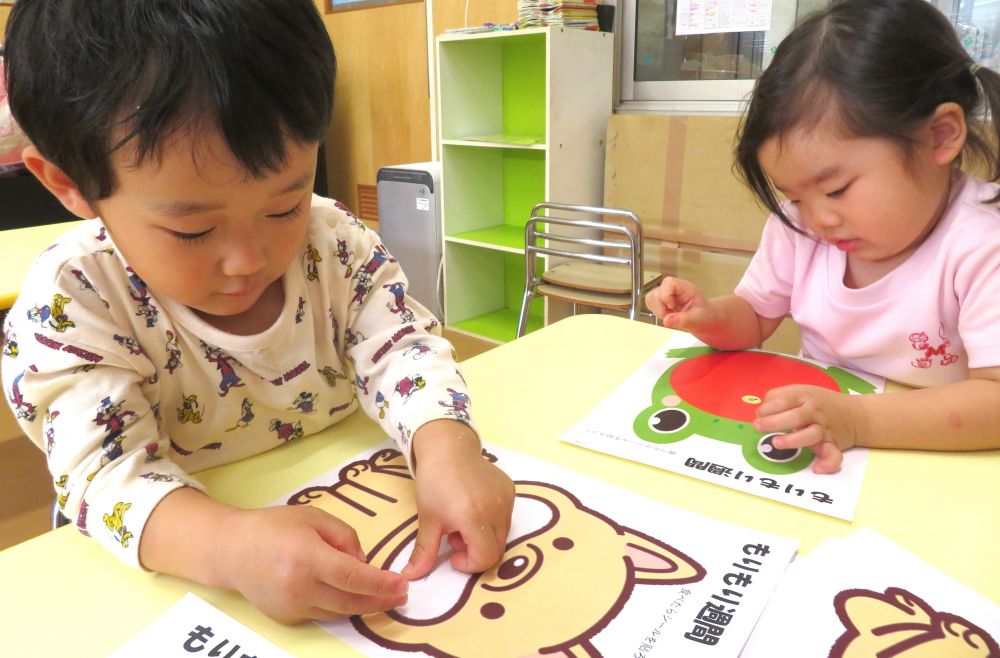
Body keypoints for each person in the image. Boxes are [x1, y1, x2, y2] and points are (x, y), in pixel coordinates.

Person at [0, 0, 514, 624]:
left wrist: (447, 448)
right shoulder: (74, 299)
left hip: (355, 492)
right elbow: (107, 479)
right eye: (192, 230)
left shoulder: (336, 243)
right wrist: (228, 547)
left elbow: (402, 348)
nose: (248, 259)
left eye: (283, 205)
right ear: (68, 184)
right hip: (185, 574)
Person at [645, 0, 1000, 475]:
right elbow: (753, 317)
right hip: (823, 454)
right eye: (794, 195)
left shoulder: (982, 244)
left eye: (836, 189)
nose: (818, 219)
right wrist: (708, 316)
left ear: (940, 136)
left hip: (936, 463)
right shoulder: (800, 228)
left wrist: (855, 419)